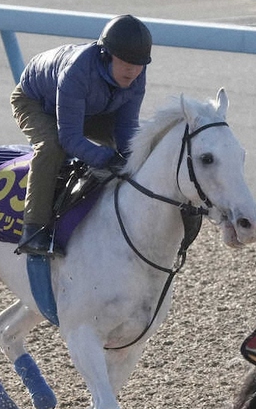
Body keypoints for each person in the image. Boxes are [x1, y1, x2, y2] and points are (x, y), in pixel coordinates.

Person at [10, 14, 152, 256]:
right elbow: (70, 138)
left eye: (139, 64)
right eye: (126, 62)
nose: (133, 70)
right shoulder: (77, 71)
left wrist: (129, 156)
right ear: (106, 55)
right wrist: (106, 158)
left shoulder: (136, 75)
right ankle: (33, 231)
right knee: (52, 147)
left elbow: (126, 130)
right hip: (35, 102)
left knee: (134, 148)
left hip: (87, 107)